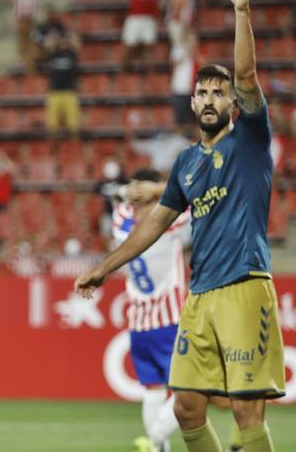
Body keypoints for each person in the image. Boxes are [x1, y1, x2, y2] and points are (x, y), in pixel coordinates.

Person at [75, 0, 282, 452]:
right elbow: (155, 223)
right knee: (187, 407)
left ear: (234, 103)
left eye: (219, 92)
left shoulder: (251, 140)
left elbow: (248, 75)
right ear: (192, 103)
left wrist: (242, 11)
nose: (211, 99)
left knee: (248, 407)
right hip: (199, 297)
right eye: (203, 92)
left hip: (245, 287)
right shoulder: (187, 164)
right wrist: (103, 269)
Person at [110, 169, 191, 452]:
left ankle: (159, 450)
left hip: (138, 322)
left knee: (153, 389)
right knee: (189, 392)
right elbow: (194, 195)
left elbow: (120, 198)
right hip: (169, 321)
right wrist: (159, 189)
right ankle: (154, 439)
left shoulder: (120, 219)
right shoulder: (167, 223)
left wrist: (128, 191)